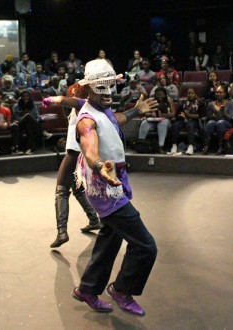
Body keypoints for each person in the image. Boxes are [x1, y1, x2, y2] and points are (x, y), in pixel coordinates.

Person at [70, 59, 158, 315]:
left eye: (110, 86)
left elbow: (115, 119)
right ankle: (121, 289)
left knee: (110, 238)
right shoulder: (86, 120)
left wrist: (135, 111)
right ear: (88, 90)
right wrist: (100, 167)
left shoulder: (102, 109)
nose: (108, 92)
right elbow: (89, 148)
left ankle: (87, 288)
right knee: (145, 246)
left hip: (114, 181)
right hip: (105, 187)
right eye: (101, 87)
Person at [42, 83, 102, 248]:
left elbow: (63, 100)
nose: (74, 95)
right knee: (77, 188)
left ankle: (62, 232)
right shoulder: (88, 108)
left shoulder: (82, 106)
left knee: (61, 190)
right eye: (72, 92)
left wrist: (51, 99)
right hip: (79, 153)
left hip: (74, 153)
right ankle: (93, 219)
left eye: (77, 92)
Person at [139, 87, 175, 154]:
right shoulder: (152, 101)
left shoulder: (169, 101)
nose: (159, 96)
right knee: (144, 123)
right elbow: (145, 113)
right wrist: (150, 114)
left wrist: (162, 115)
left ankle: (160, 146)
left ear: (165, 95)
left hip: (165, 121)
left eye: (161, 94)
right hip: (153, 120)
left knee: (162, 124)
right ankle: (141, 144)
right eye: (158, 94)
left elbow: (173, 113)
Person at [169, 88, 205, 155]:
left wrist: (188, 115)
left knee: (190, 125)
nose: (190, 95)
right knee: (175, 125)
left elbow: (201, 115)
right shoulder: (183, 103)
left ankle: (191, 146)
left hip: (195, 121)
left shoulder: (200, 103)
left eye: (192, 93)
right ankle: (174, 145)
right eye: (188, 93)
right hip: (183, 120)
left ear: (195, 94)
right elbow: (177, 114)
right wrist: (180, 115)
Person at [202, 84, 233, 155]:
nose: (218, 94)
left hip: (226, 124)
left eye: (220, 92)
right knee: (210, 122)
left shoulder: (230, 104)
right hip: (214, 122)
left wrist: (223, 111)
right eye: (217, 92)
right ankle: (206, 146)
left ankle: (220, 147)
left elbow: (230, 118)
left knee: (220, 122)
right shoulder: (211, 104)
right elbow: (208, 116)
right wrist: (212, 116)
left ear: (225, 94)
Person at [12, 90, 48, 155]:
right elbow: (16, 117)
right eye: (23, 96)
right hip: (20, 124)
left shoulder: (33, 105)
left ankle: (30, 149)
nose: (26, 97)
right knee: (28, 116)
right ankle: (42, 131)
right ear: (20, 97)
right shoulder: (16, 106)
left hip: (31, 125)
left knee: (29, 126)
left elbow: (37, 117)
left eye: (27, 96)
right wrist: (24, 118)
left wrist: (34, 121)